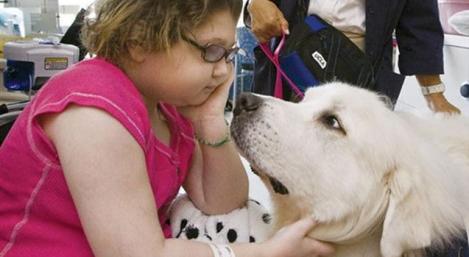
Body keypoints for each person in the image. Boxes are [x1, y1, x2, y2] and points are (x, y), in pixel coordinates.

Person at [0, 1, 335, 257]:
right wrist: (261, 254)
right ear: (139, 40)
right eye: (212, 51)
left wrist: (209, 121)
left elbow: (223, 201)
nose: (223, 71)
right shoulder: (95, 107)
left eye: (229, 54)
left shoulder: (168, 107)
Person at [244, 0, 461, 114]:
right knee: (281, 162)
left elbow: (418, 22)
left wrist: (434, 94)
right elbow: (257, 5)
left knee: (353, 169)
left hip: (360, 64)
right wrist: (255, 3)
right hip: (292, 51)